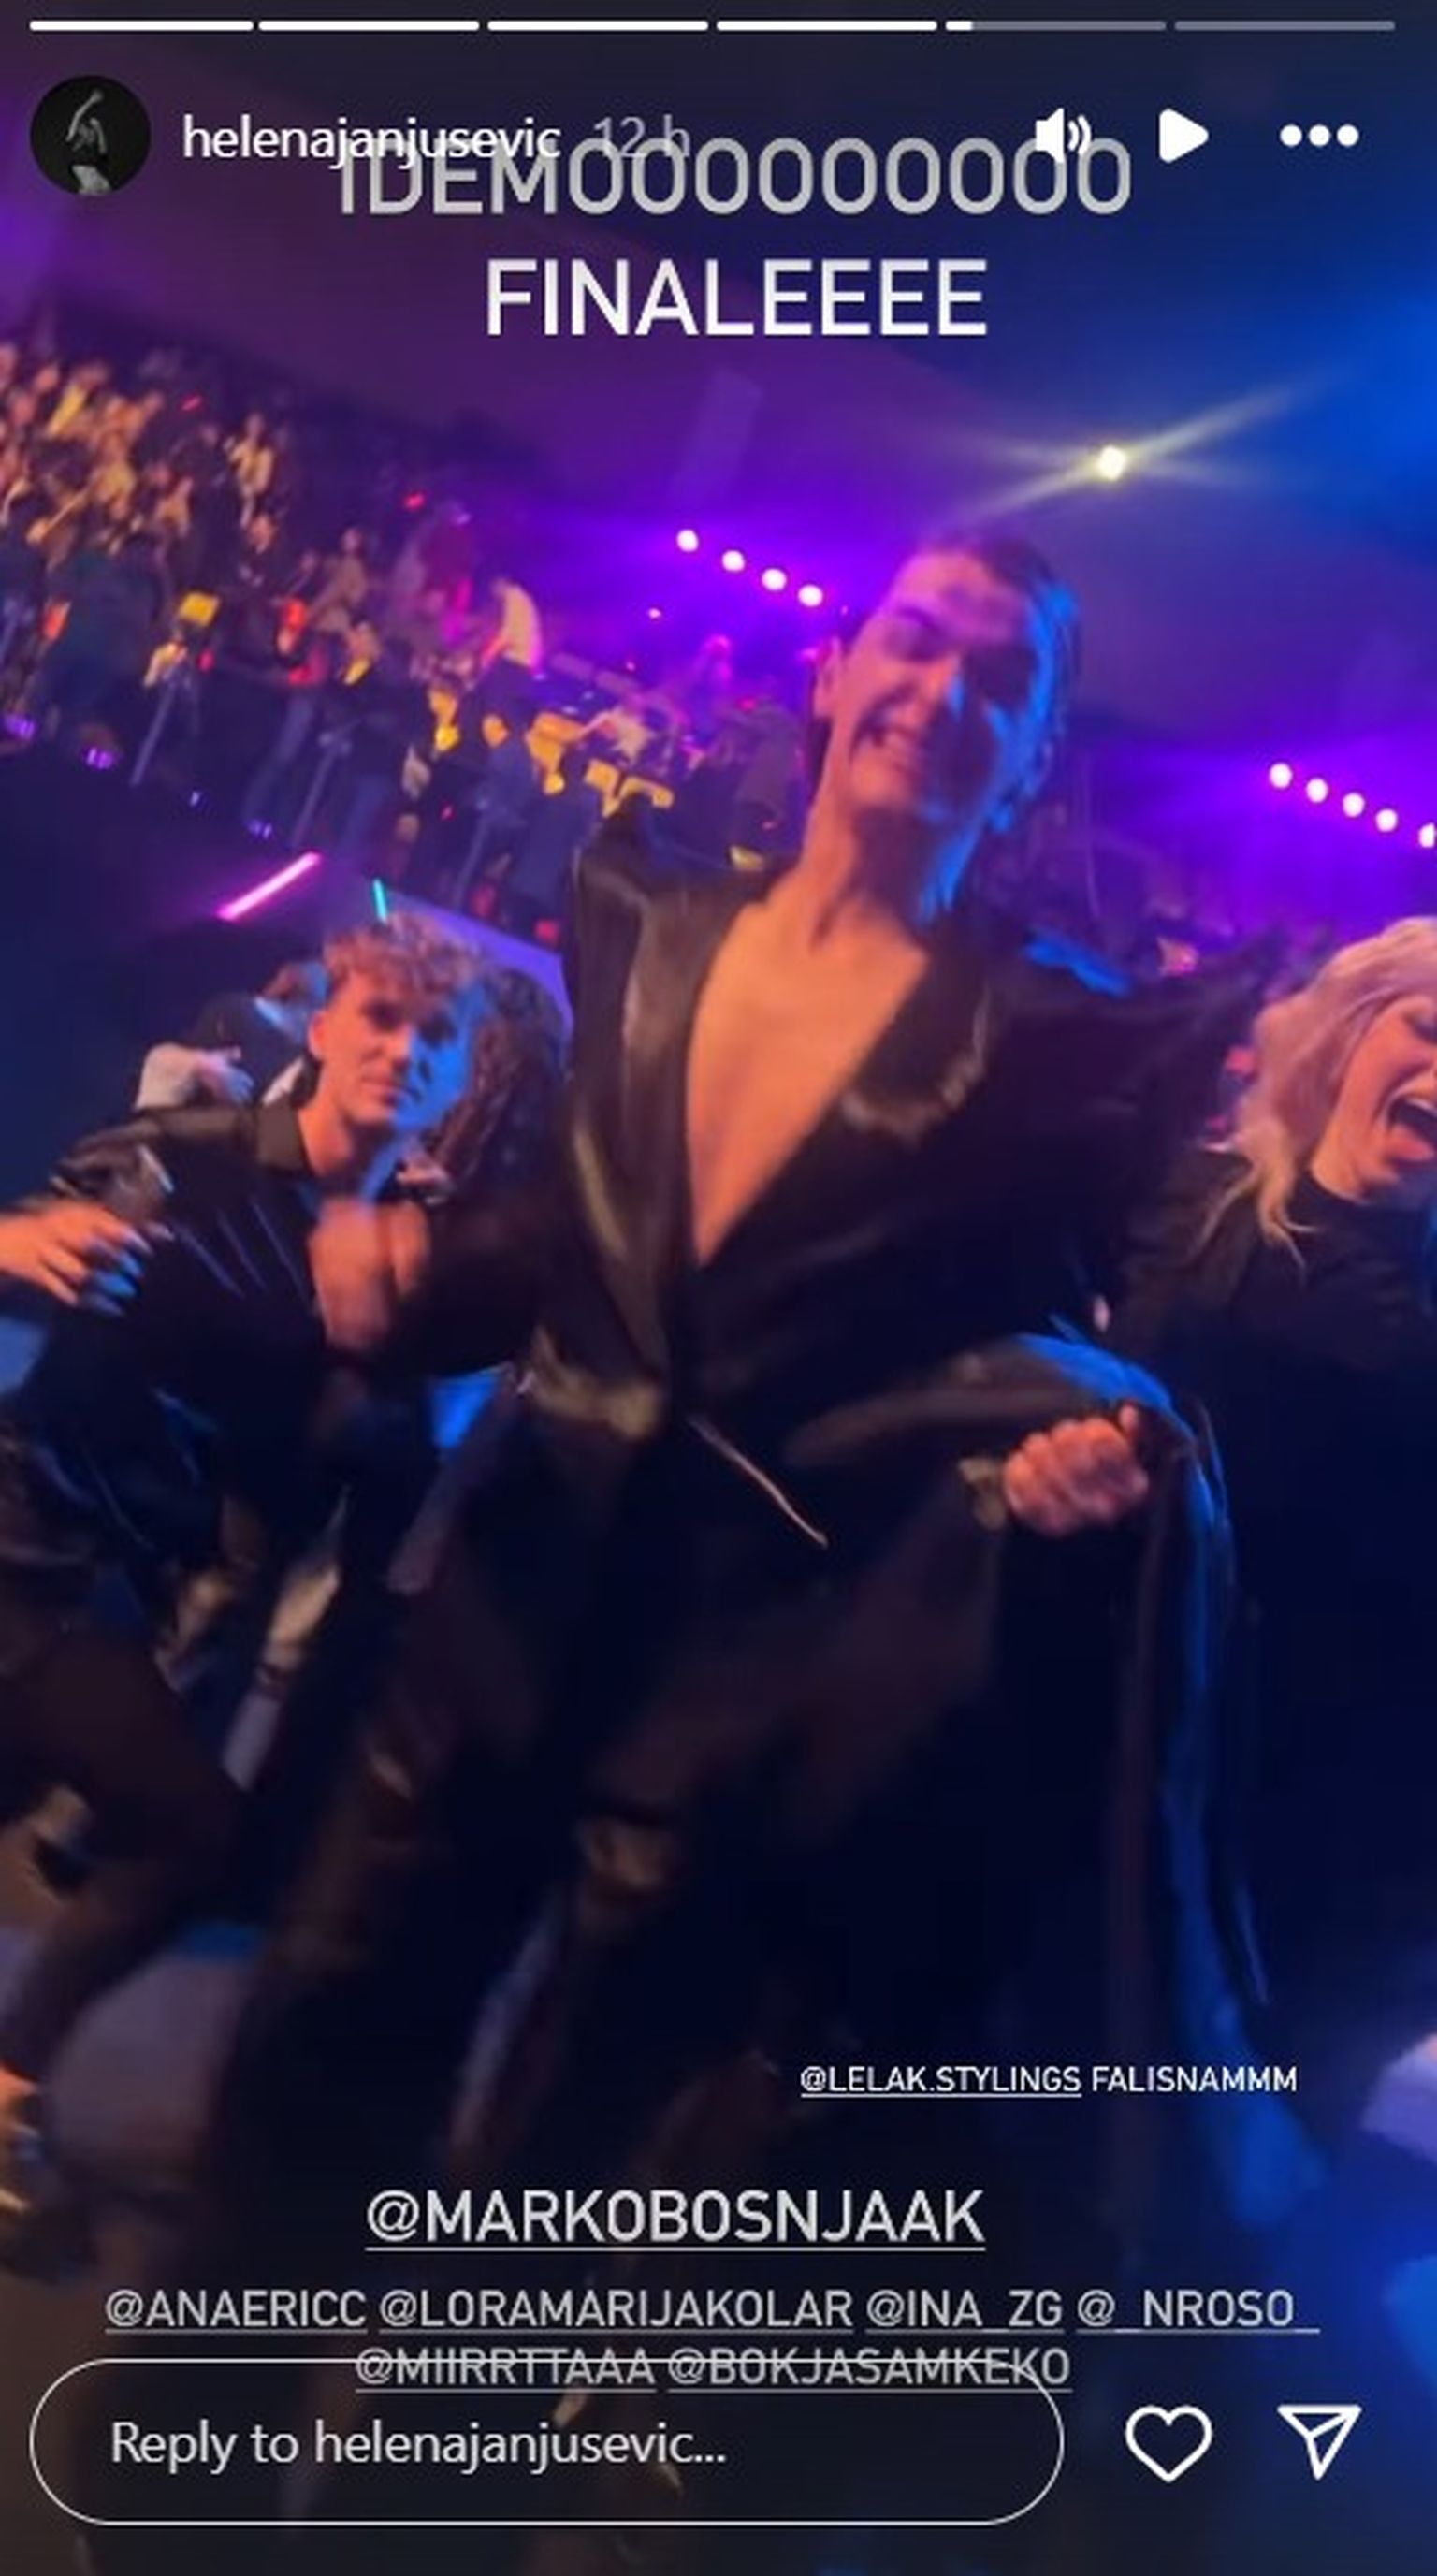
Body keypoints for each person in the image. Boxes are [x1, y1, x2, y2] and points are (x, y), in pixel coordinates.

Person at [89, 529, 1266, 2569]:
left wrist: (1091, 1471)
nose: (940, 693)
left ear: (1032, 749)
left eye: (998, 680)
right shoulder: (653, 915)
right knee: (311, 2056)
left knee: (548, 2185)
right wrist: (418, 1286)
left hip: (751, 1680)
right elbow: (584, 1241)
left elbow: (1072, 1358)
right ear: (837, 670)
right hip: (504, 1609)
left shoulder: (1050, 1042)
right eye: (915, 642)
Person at [1000, 919, 1437, 2569]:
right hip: (1103, 1781)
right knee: (1030, 2183)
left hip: (1344, 1862)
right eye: (1427, 1022)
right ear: (1348, 1031)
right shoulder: (1179, 1213)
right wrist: (1041, 1470)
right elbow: (1020, 1391)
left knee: (1220, 2250)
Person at [0, 917, 483, 2263]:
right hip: (24, 1536)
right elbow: (37, 1235)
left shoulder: (408, 1262)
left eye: (435, 1037)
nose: (403, 1051)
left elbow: (372, 1477)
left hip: (127, 1587)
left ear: (458, 1081)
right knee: (188, 1830)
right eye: (379, 1018)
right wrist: (15, 1242)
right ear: (321, 1028)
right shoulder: (193, 1155)